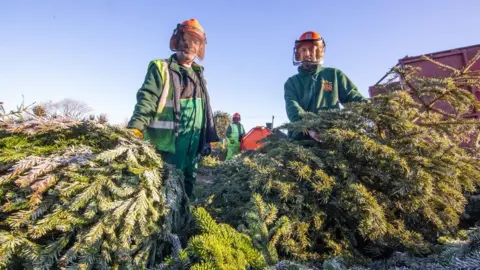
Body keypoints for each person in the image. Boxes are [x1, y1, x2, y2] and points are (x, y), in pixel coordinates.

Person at [127, 18, 218, 198]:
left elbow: (206, 106)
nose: (189, 47)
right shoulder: (161, 68)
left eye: (195, 43)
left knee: (188, 182)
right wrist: (136, 126)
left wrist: (209, 136)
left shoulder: (199, 74)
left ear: (200, 47)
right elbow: (147, 98)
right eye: (186, 40)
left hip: (193, 143)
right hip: (168, 143)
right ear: (177, 40)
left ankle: (185, 219)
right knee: (166, 186)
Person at [284, 31, 367, 140]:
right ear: (298, 54)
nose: (307, 53)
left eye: (311, 49)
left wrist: (370, 110)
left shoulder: (334, 75)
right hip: (301, 139)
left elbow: (352, 97)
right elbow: (292, 107)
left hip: (332, 135)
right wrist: (309, 126)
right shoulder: (292, 82)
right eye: (303, 50)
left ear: (319, 52)